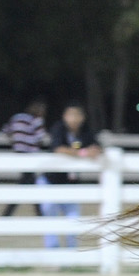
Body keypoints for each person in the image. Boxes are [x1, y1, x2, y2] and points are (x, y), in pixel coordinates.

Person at [46, 102, 101, 248]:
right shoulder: (58, 128)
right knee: (50, 217)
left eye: (77, 115)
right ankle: (53, 253)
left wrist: (94, 150)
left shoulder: (86, 131)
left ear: (82, 117)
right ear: (65, 117)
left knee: (73, 218)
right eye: (71, 115)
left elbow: (97, 147)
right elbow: (58, 148)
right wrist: (82, 153)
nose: (74, 119)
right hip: (51, 180)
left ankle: (72, 253)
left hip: (71, 182)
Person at [0, 97, 49, 217]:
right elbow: (40, 137)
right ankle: (39, 213)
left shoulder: (17, 117)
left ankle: (9, 213)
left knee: (26, 183)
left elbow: (5, 130)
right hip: (30, 155)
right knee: (28, 184)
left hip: (19, 153)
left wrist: (15, 142)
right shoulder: (37, 120)